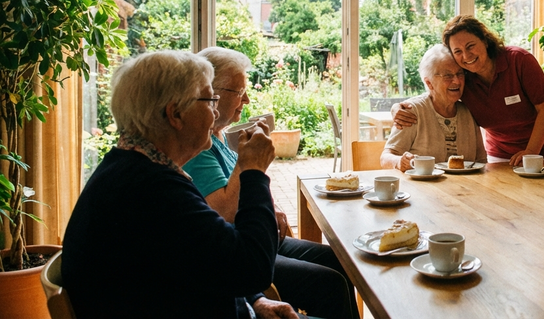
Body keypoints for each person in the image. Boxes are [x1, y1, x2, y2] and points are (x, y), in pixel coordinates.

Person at [63, 50, 299, 319]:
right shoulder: (152, 191)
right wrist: (253, 170)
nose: (214, 113)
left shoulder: (133, 169)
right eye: (210, 101)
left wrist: (255, 301)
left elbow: (210, 254)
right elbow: (252, 270)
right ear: (175, 114)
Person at [182, 47, 359, 319]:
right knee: (329, 283)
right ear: (212, 93)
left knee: (339, 260)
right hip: (242, 246)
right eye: (240, 92)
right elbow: (225, 214)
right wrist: (251, 164)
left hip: (260, 236)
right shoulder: (200, 146)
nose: (248, 100)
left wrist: (269, 208)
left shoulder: (216, 135)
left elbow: (242, 193)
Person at [394, 15, 544, 168]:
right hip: (500, 155)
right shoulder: (463, 78)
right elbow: (436, 92)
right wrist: (397, 107)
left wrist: (531, 151)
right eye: (458, 52)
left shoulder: (518, 61)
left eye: (470, 46)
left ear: (484, 40)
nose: (466, 56)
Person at [381, 44, 487, 171]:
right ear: (429, 83)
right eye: (448, 76)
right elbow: (385, 158)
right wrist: (400, 162)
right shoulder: (413, 111)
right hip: (422, 189)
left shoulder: (469, 111)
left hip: (464, 189)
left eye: (460, 74)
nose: (457, 81)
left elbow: (481, 161)